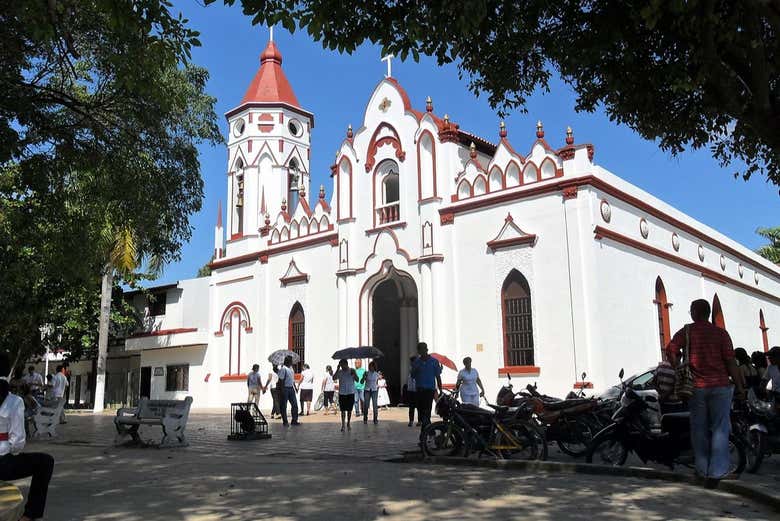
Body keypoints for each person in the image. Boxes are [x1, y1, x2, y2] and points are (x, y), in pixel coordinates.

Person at [665, 299, 745, 489]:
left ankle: (701, 468)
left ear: (694, 312)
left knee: (698, 428)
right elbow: (731, 362)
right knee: (720, 428)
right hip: (720, 386)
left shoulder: (687, 331)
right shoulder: (721, 333)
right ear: (708, 313)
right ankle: (717, 471)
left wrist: (679, 367)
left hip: (696, 387)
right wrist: (740, 387)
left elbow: (671, 349)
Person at [0, 379, 55, 521]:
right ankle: (29, 516)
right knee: (45, 462)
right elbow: (18, 442)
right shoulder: (14, 401)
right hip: (2, 463)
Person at [411, 342, 442, 441]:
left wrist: (440, 389)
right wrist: (415, 369)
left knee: (426, 412)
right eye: (419, 350)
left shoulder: (434, 361)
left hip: (429, 390)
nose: (421, 352)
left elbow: (438, 376)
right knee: (421, 414)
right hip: (419, 390)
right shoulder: (416, 362)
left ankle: (423, 435)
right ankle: (431, 432)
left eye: (423, 349)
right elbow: (413, 376)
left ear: (426, 350)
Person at [333, 359, 358, 431]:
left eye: (342, 365)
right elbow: (334, 378)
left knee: (349, 410)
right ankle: (343, 424)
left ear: (346, 364)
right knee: (343, 410)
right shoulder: (339, 372)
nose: (341, 366)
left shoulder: (352, 370)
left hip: (350, 393)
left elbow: (357, 380)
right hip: (342, 393)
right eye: (340, 365)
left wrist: (354, 374)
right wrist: (337, 369)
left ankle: (349, 423)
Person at [277, 356, 299, 426]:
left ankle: (294, 420)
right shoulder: (283, 369)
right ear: (288, 361)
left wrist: (295, 387)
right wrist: (282, 389)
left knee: (295, 405)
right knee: (284, 406)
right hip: (285, 388)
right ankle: (285, 421)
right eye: (291, 361)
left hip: (291, 388)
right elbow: (281, 380)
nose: (292, 362)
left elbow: (292, 380)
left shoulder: (291, 369)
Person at [406, 356, 418, 427]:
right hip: (411, 390)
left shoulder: (418, 367)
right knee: (411, 407)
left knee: (419, 406)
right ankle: (411, 420)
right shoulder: (411, 368)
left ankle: (419, 420)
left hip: (417, 389)